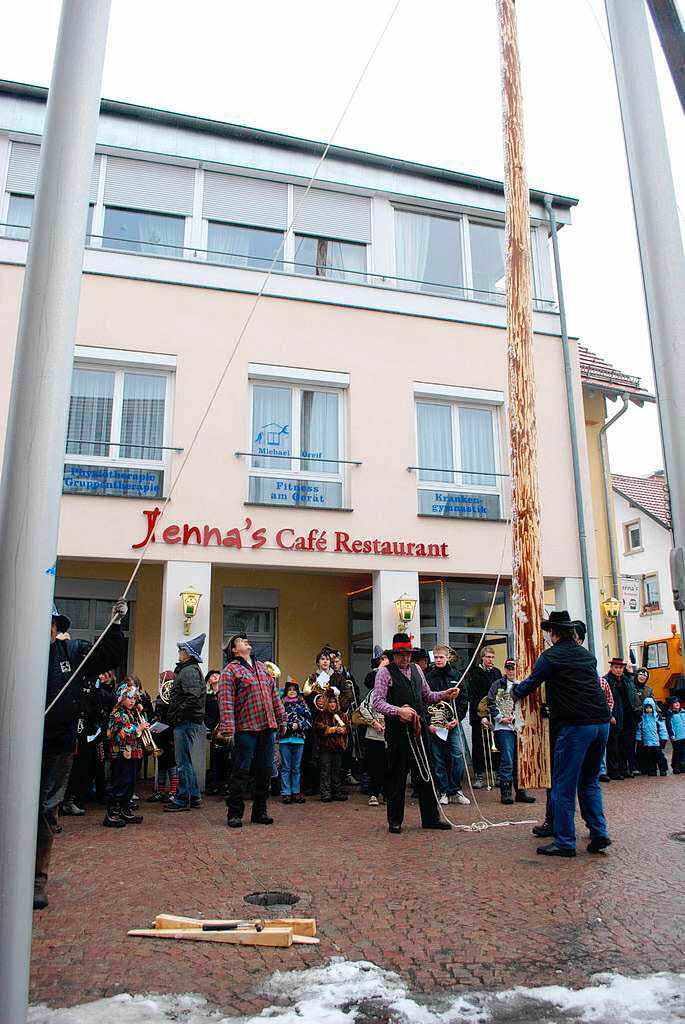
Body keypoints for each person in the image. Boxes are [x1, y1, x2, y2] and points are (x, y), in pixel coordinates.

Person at [35, 602, 126, 910]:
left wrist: (114, 625)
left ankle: (37, 878)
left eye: (48, 622)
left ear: (56, 629)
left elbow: (108, 655)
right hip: (17, 744)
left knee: (47, 809)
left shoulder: (72, 653)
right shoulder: (15, 650)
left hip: (57, 745)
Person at [512, 610, 611, 858]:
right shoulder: (587, 656)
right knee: (589, 782)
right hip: (601, 723)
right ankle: (599, 833)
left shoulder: (550, 657)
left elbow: (530, 684)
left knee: (563, 785)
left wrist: (513, 693)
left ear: (553, 633)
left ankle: (565, 842)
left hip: (576, 725)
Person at [372, 633, 461, 834]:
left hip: (419, 731)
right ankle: (395, 821)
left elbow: (427, 696)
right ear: (394, 654)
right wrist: (398, 711)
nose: (405, 657)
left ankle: (430, 818)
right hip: (397, 733)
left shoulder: (418, 671)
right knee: (397, 778)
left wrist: (445, 694)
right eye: (401, 654)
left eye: (408, 654)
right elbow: (377, 702)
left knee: (426, 775)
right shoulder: (384, 673)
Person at [217, 632, 286, 828]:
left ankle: (260, 812)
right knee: (241, 771)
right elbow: (226, 701)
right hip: (245, 728)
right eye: (241, 640)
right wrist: (228, 728)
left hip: (267, 727)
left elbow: (274, 696)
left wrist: (281, 718)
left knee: (264, 771)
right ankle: (235, 813)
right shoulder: (230, 670)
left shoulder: (262, 667)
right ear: (233, 649)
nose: (246, 641)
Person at [163, 633, 206, 812]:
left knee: (182, 762)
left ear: (188, 653)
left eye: (181, 650)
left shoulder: (188, 671)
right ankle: (194, 796)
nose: (179, 652)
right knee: (185, 760)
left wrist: (177, 716)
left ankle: (182, 799)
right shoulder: (189, 670)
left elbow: (192, 698)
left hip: (186, 722)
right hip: (188, 720)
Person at [486, 658, 536, 806]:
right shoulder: (497, 684)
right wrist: (500, 717)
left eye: (513, 668)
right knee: (507, 759)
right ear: (505, 669)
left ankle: (520, 791)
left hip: (520, 725)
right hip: (504, 726)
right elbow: (490, 701)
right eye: (508, 667)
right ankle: (506, 792)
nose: (510, 670)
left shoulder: (523, 684)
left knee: (520, 760)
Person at [426, 645, 470, 806]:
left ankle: (456, 789)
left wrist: (457, 718)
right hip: (435, 724)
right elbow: (424, 700)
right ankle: (443, 791)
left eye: (441, 657)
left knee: (459, 754)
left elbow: (464, 699)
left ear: (447, 658)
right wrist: (429, 722)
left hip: (453, 723)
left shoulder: (457, 675)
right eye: (436, 657)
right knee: (437, 759)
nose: (438, 660)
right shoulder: (428, 677)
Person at [103, 682, 146, 827]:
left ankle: (125, 809)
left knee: (130, 782)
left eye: (135, 698)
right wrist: (138, 728)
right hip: (120, 753)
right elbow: (117, 734)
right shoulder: (118, 713)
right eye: (130, 698)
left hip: (133, 752)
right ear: (122, 698)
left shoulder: (132, 713)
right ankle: (112, 813)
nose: (133, 701)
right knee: (120, 781)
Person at [467, 646, 502, 788]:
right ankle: (479, 775)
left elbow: (499, 694)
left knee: (496, 744)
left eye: (492, 657)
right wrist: (481, 716)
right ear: (482, 657)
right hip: (479, 715)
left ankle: (498, 773)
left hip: (493, 714)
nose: (490, 660)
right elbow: (473, 696)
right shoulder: (474, 672)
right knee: (479, 745)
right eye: (488, 657)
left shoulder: (497, 673)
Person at [358, 656, 388, 806]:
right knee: (375, 766)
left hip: (390, 735)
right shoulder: (374, 692)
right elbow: (364, 708)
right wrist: (374, 722)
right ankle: (373, 794)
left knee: (389, 766)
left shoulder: (395, 691)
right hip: (375, 735)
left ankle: (388, 794)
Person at [147, 670, 178, 804]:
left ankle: (173, 792)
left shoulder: (175, 697)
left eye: (162, 681)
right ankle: (160, 792)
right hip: (160, 734)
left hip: (171, 734)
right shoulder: (160, 696)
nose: (161, 683)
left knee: (172, 764)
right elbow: (158, 714)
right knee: (161, 764)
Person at [279, 680, 312, 803]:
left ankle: (296, 792)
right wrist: (287, 725)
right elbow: (277, 720)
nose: (292, 692)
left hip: (299, 739)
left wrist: (299, 725)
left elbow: (309, 721)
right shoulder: (281, 705)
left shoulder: (303, 705)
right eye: (289, 690)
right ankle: (286, 792)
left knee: (296, 767)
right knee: (286, 767)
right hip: (284, 740)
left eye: (294, 690)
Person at [315, 689, 350, 802]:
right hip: (326, 747)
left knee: (336, 770)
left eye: (334, 702)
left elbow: (348, 728)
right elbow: (318, 728)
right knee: (325, 770)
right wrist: (331, 729)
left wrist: (343, 730)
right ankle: (325, 793)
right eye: (330, 702)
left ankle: (336, 792)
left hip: (338, 747)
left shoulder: (342, 715)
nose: (332, 704)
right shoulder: (322, 715)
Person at [635, 697, 669, 776]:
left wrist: (663, 738)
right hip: (647, 742)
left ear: (653, 707)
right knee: (649, 757)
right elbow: (639, 730)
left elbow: (662, 729)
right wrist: (639, 739)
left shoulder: (657, 717)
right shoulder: (642, 718)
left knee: (659, 756)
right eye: (647, 708)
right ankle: (652, 769)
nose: (648, 709)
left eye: (650, 708)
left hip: (656, 742)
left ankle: (663, 769)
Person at [666, 698, 685, 774]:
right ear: (671, 705)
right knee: (677, 752)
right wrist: (671, 735)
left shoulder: (683, 712)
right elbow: (669, 726)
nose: (677, 704)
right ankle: (675, 766)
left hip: (684, 735)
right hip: (676, 737)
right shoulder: (670, 714)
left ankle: (682, 766)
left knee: (683, 752)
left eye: (678, 702)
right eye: (675, 703)